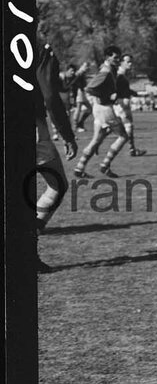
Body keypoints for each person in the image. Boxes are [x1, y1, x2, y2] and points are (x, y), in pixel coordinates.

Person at [34, 41, 78, 271]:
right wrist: (67, 133)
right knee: (57, 185)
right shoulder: (40, 48)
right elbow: (50, 95)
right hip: (28, 125)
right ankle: (26, 246)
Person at [73, 46, 129, 178]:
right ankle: (105, 164)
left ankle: (79, 168)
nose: (117, 60)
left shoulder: (109, 69)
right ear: (107, 57)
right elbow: (90, 88)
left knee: (96, 140)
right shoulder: (106, 71)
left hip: (99, 108)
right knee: (123, 136)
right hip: (105, 108)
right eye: (115, 57)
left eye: (119, 58)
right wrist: (106, 96)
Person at [113, 53, 147, 157]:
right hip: (121, 105)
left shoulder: (123, 75)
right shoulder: (119, 75)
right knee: (127, 128)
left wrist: (133, 93)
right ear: (121, 62)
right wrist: (121, 98)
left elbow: (123, 89)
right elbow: (115, 89)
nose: (130, 64)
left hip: (121, 104)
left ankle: (132, 149)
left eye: (131, 61)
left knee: (125, 128)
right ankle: (129, 150)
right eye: (128, 61)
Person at [68, 60, 93, 131]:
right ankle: (76, 126)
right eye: (85, 66)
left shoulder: (82, 73)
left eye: (87, 66)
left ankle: (80, 124)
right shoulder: (79, 73)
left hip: (82, 92)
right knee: (79, 109)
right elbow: (74, 82)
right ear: (81, 66)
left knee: (89, 109)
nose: (87, 67)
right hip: (79, 93)